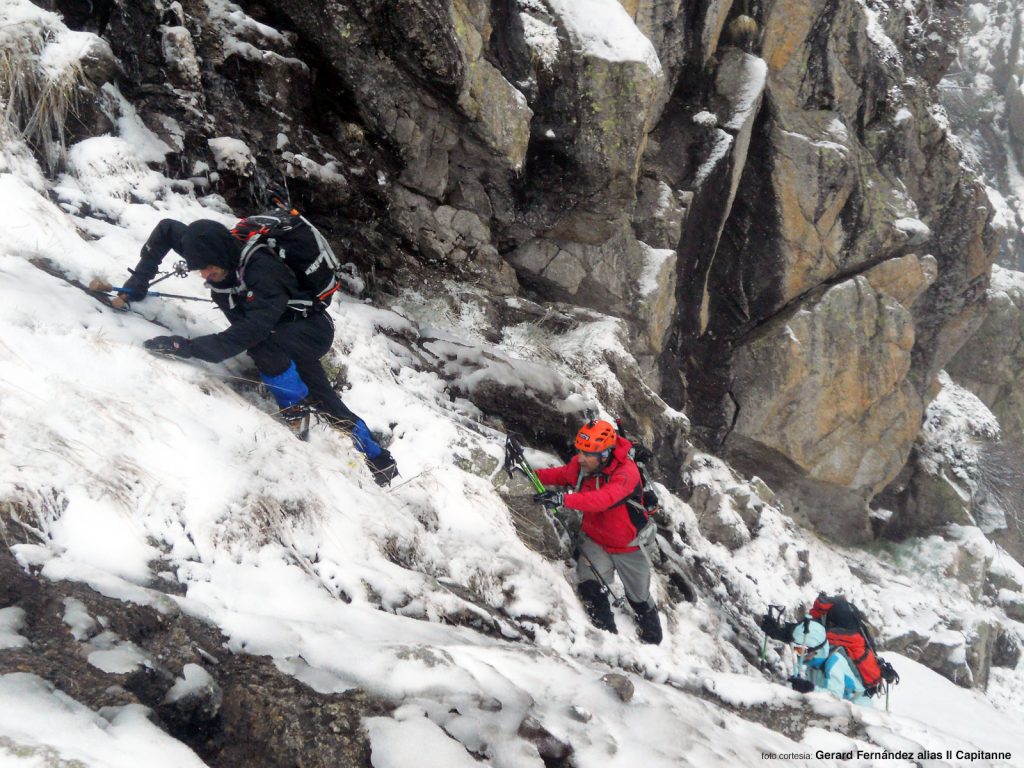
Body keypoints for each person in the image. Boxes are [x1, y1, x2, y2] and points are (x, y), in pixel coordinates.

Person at [120, 218, 399, 486]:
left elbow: (250, 332)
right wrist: (137, 285)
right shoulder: (209, 246)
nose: (204, 275)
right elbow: (167, 229)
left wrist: (189, 348)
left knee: (305, 382)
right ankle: (301, 402)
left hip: (309, 330)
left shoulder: (262, 271)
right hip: (271, 324)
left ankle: (362, 449)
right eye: (200, 270)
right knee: (266, 345)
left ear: (219, 255)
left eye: (207, 269)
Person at [532, 419, 662, 644]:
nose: (580, 457)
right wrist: (530, 474)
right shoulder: (582, 466)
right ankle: (607, 639)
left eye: (587, 453)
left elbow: (604, 499)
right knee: (589, 587)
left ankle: (653, 641)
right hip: (596, 541)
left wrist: (563, 499)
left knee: (639, 599)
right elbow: (561, 474)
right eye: (580, 451)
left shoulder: (626, 473)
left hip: (629, 546)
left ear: (606, 454)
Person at [787, 619, 872, 706]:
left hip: (858, 706)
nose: (799, 655)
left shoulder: (834, 663)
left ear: (817, 651)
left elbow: (835, 697)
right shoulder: (813, 664)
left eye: (801, 650)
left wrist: (809, 689)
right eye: (796, 649)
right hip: (837, 706)